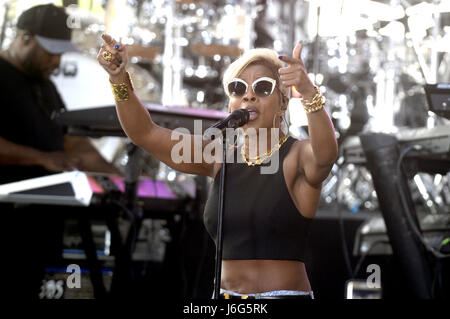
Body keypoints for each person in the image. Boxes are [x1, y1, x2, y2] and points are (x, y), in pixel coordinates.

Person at [97, 33, 338, 299]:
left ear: (282, 104)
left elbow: (325, 155)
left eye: (262, 88)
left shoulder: (297, 155)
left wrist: (308, 93)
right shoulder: (219, 155)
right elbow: (145, 133)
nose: (248, 96)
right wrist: (118, 78)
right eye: (238, 88)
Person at [0, 4, 120, 299]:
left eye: (60, 51)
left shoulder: (47, 88)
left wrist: (118, 181)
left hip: (38, 222)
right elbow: (53, 155)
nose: (56, 60)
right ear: (24, 37)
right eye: (49, 50)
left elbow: (71, 144)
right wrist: (42, 158)